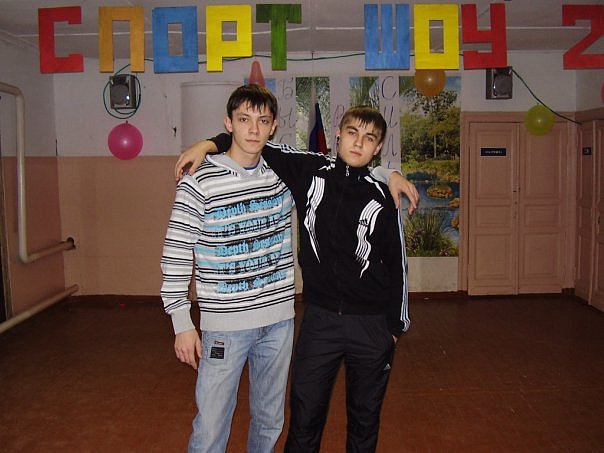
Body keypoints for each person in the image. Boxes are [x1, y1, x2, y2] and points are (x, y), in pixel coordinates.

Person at [178, 102, 410, 452]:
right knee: (304, 417)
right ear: (338, 134)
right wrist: (208, 144)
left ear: (377, 147)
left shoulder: (384, 196)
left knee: (364, 420)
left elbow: (398, 266)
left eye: (369, 138)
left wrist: (393, 328)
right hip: (320, 323)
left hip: (371, 325)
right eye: (352, 133)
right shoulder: (308, 170)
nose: (359, 143)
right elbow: (253, 140)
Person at [161, 85, 296, 453]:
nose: (253, 129)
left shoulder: (284, 176)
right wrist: (181, 323)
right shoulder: (198, 181)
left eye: (262, 121)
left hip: (279, 323)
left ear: (273, 127)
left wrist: (388, 173)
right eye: (244, 119)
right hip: (224, 327)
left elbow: (341, 167)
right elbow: (176, 252)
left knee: (270, 421)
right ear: (229, 124)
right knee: (210, 427)